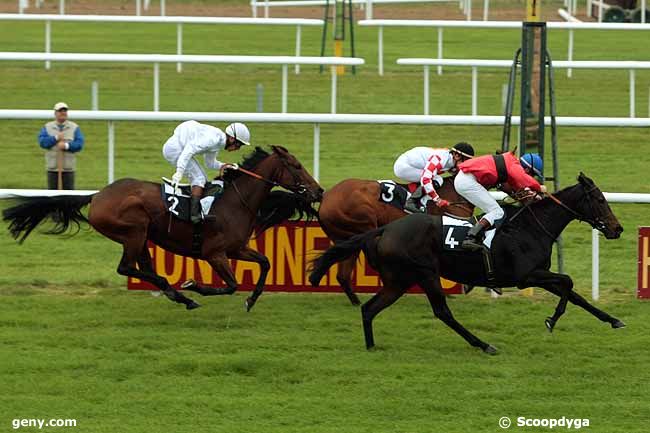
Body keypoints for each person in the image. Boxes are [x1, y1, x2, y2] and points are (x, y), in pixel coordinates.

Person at [163, 120, 250, 224]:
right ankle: (194, 215)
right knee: (199, 179)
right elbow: (189, 150)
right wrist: (179, 172)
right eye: (238, 145)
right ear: (232, 139)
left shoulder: (218, 143)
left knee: (202, 178)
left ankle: (195, 207)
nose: (237, 149)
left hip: (180, 148)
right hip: (175, 149)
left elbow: (210, 163)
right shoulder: (213, 139)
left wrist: (224, 165)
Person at [455, 151, 546, 251]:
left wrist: (532, 197)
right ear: (527, 169)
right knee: (497, 212)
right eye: (532, 175)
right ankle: (470, 238)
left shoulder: (511, 165)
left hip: (466, 179)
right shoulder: (514, 166)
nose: (532, 177)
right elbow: (525, 180)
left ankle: (480, 236)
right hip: (467, 181)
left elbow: (515, 189)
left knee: (495, 211)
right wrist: (538, 188)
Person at [393, 142, 475, 213]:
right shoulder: (440, 159)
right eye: (466, 160)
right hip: (404, 166)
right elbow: (425, 179)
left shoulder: (450, 159)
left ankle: (416, 195)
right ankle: (411, 202)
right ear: (456, 156)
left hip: (414, 163)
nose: (466, 163)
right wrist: (437, 199)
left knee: (436, 178)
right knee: (437, 179)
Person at [38, 102, 85, 189]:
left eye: (65, 111)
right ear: (55, 113)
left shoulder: (74, 127)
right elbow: (42, 142)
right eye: (60, 111)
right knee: (53, 197)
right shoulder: (47, 127)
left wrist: (66, 146)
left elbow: (79, 144)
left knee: (68, 197)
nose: (63, 113)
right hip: (52, 169)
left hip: (68, 169)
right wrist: (55, 138)